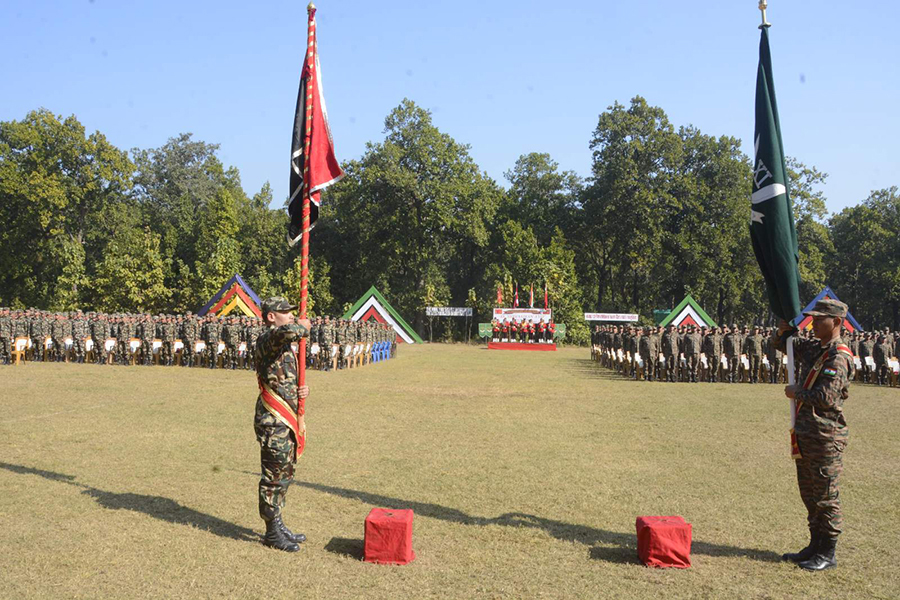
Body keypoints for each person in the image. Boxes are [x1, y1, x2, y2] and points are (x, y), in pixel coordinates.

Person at [777, 298, 853, 571]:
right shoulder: (816, 348)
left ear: (836, 322)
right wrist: (784, 329)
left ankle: (828, 552)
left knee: (825, 496)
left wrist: (797, 392)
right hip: (806, 434)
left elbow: (826, 398)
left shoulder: (838, 356)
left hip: (825, 437)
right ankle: (815, 545)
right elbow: (785, 345)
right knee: (809, 494)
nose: (814, 322)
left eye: (820, 319)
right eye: (813, 318)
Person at [253, 297, 312, 552]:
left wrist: (301, 391)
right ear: (270, 317)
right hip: (272, 420)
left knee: (286, 472)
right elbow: (290, 331)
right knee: (274, 475)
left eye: (291, 312)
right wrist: (304, 325)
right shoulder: (268, 339)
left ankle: (278, 522)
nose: (290, 315)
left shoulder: (284, 345)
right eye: (284, 312)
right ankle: (271, 532)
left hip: (286, 417)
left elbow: (284, 377)